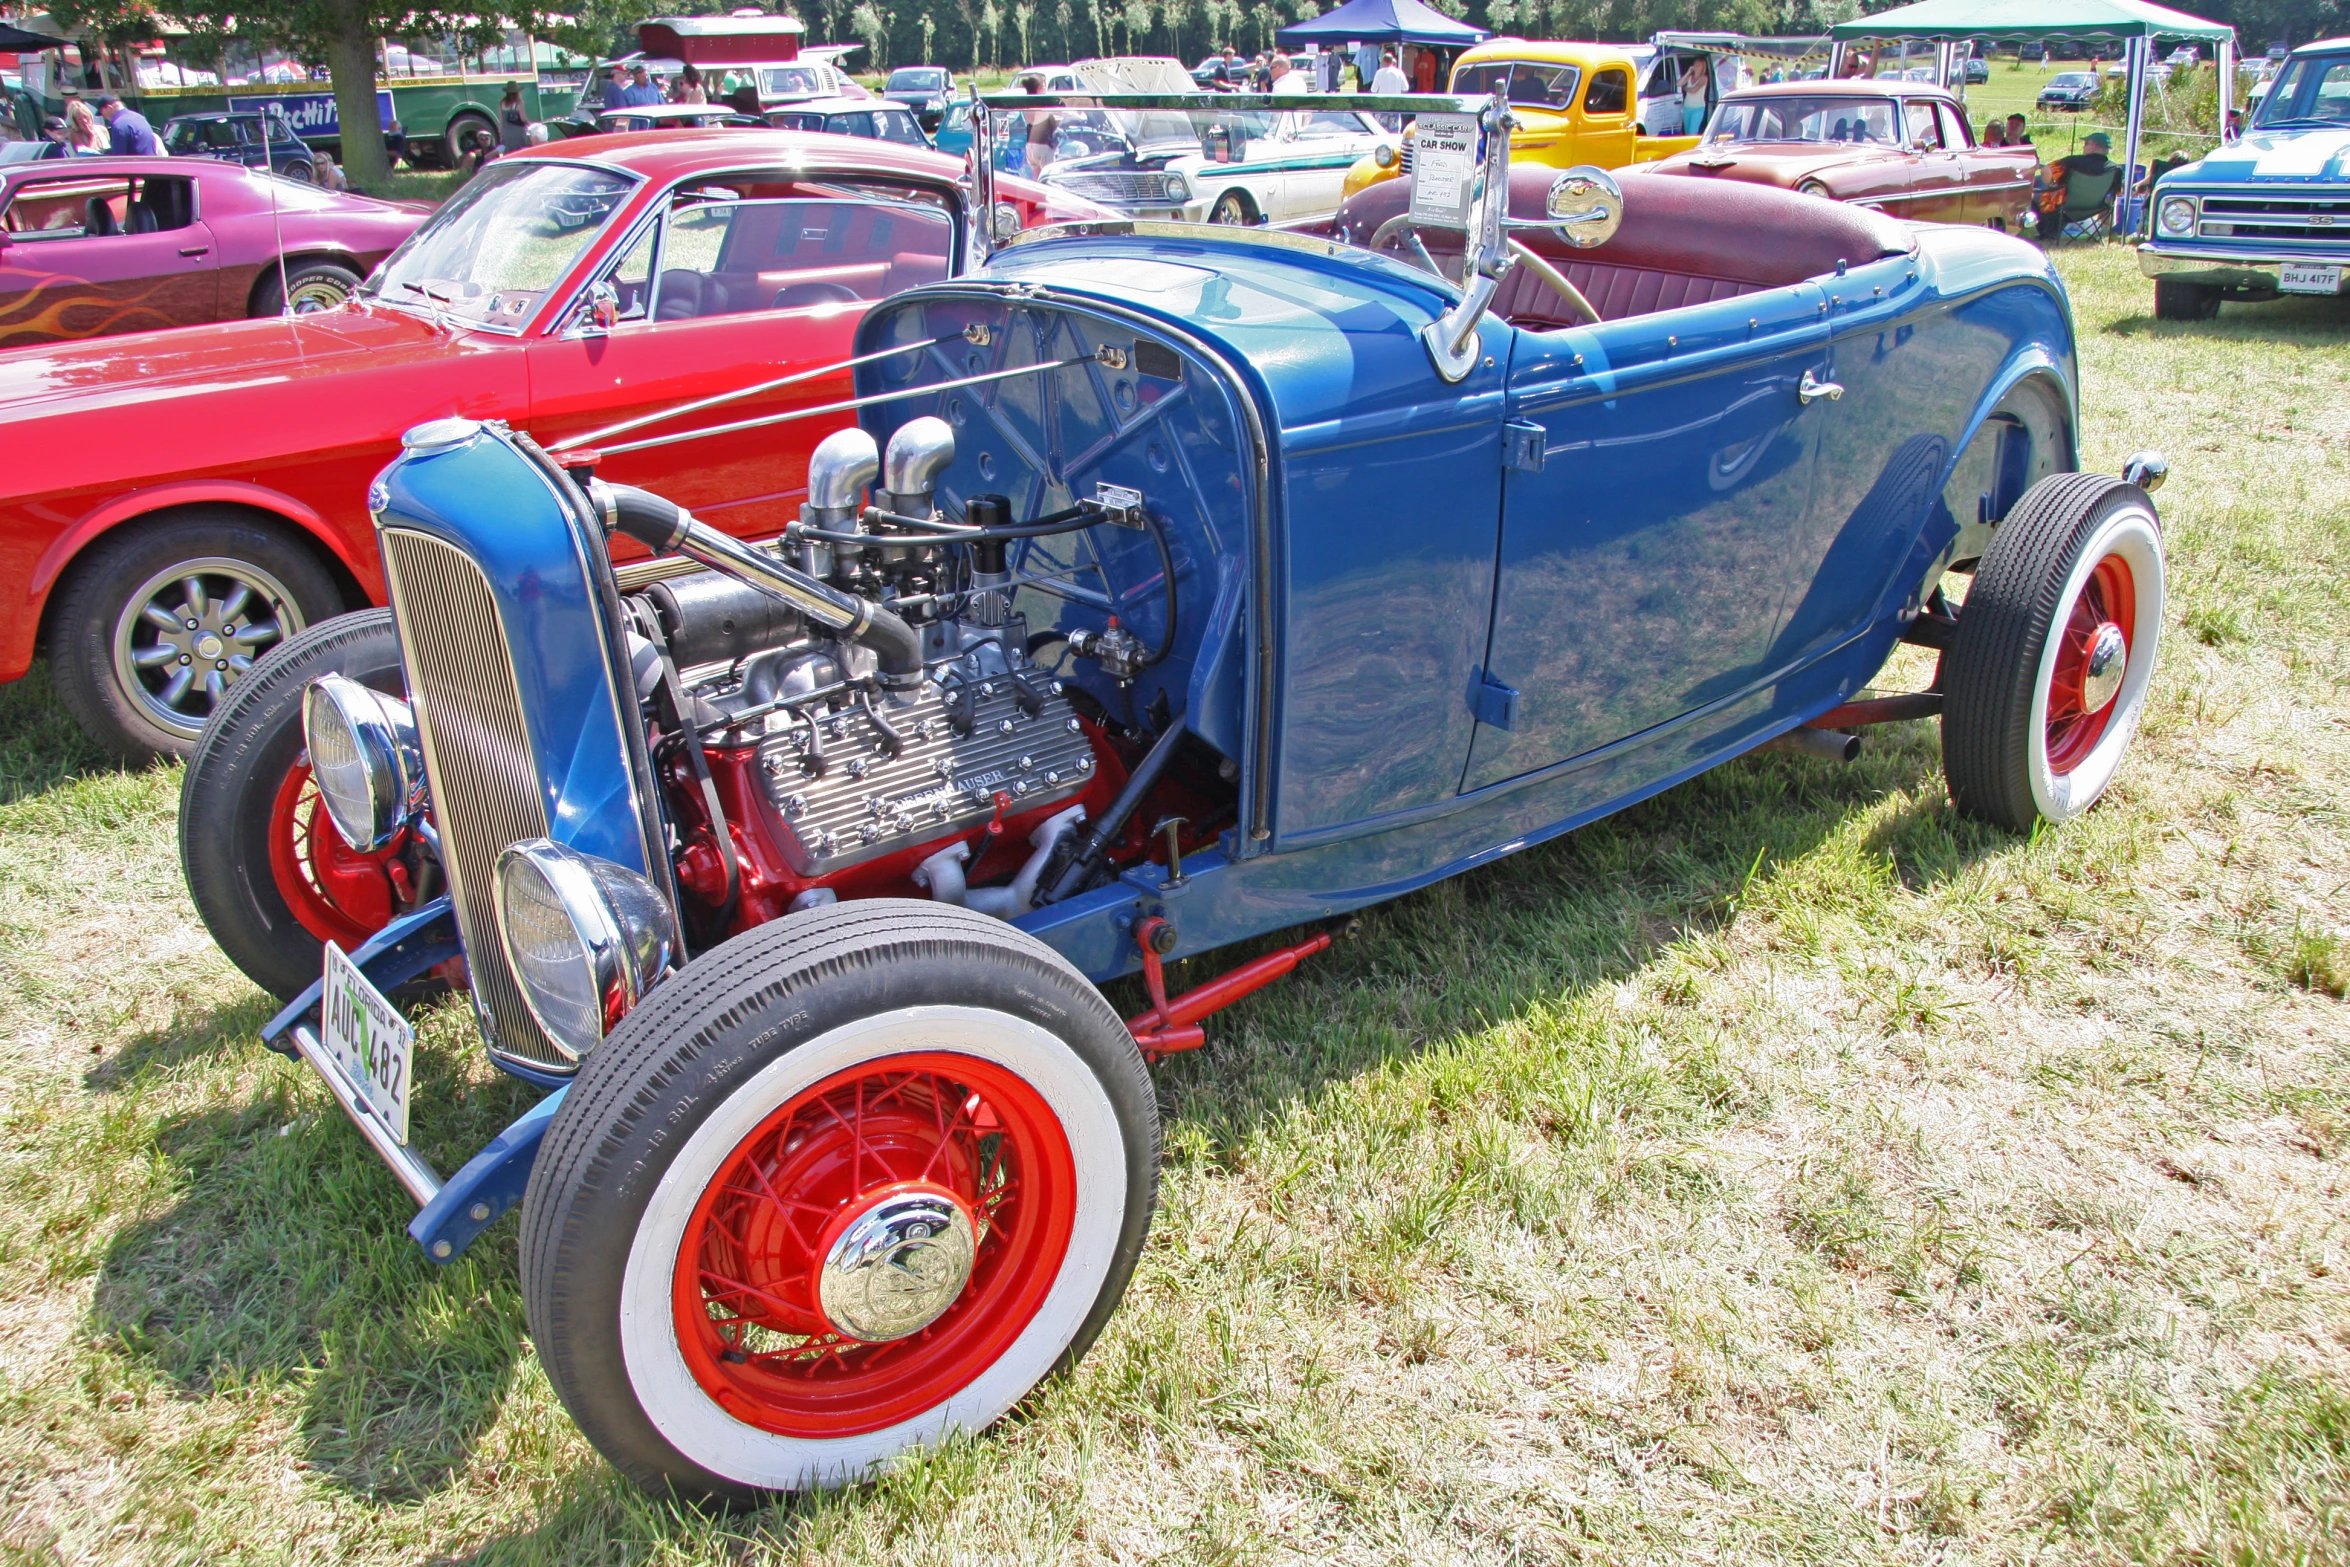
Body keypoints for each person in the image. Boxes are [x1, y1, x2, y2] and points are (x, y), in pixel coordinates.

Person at [94, 93, 163, 156]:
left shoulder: (119, 125)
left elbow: (118, 158)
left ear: (110, 108)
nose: (103, 117)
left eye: (102, 112)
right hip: (150, 163)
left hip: (135, 167)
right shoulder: (139, 117)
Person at [1020, 74, 1058, 174]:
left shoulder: (1026, 103)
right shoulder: (1042, 103)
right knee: (1048, 178)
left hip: (1030, 146)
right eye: (1045, 86)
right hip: (1043, 144)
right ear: (1039, 88)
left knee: (1037, 181)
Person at [1679, 58, 1709, 136]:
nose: (1696, 67)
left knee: (1692, 132)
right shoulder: (1689, 77)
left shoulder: (1704, 78)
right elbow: (1678, 83)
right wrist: (1688, 72)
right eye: (1695, 64)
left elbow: (1694, 90)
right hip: (1687, 107)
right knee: (1687, 132)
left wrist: (1685, 88)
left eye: (1699, 65)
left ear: (1703, 67)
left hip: (1698, 108)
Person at [498, 86, 528, 153]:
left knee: (509, 153)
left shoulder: (501, 103)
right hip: (518, 132)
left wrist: (501, 134)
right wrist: (529, 124)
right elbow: (523, 118)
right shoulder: (519, 102)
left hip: (506, 132)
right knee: (520, 152)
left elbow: (501, 121)